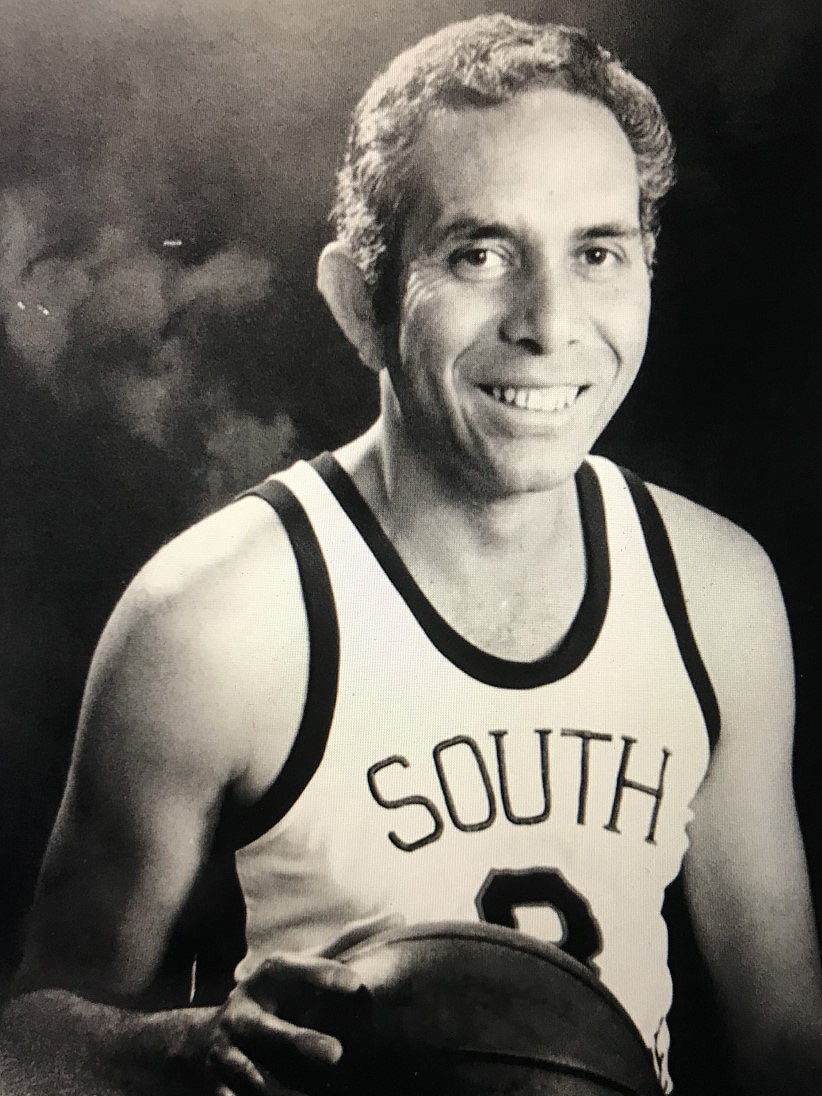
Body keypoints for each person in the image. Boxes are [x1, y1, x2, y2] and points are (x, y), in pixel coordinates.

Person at [2, 13, 820, 1096]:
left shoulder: (716, 590)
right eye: (480, 253)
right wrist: (179, 1051)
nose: (550, 321)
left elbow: (786, 1045)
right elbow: (26, 1042)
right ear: (360, 304)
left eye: (598, 253)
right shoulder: (214, 620)